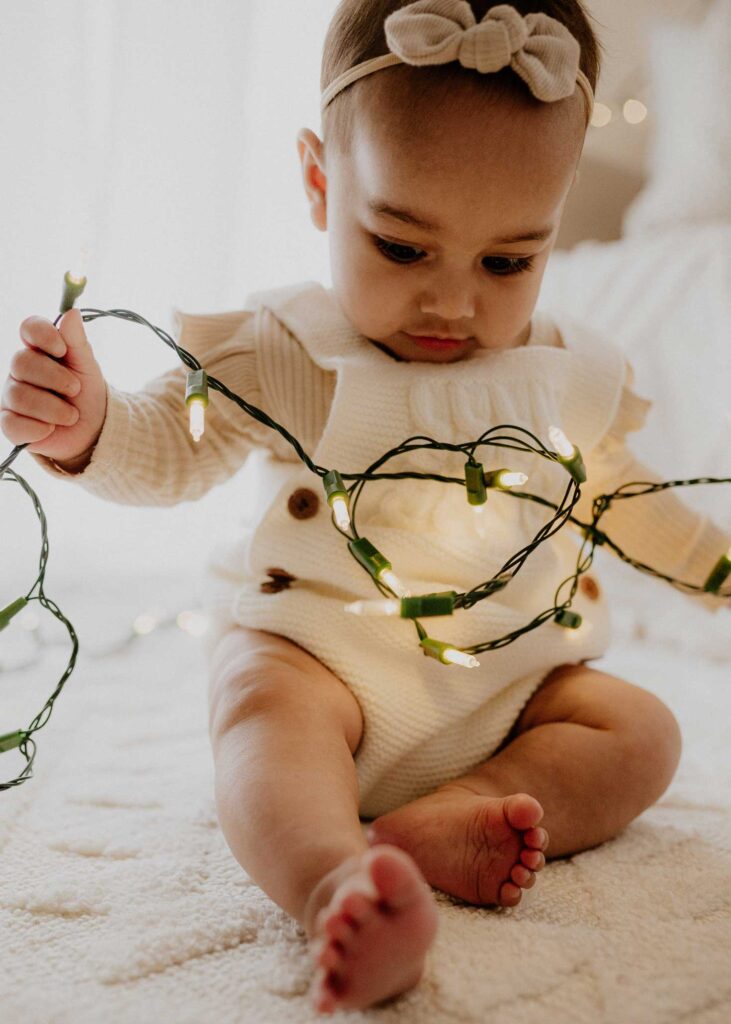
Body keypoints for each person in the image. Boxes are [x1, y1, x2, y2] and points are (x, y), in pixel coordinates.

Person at [2, 1, 729, 1014]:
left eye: (506, 261)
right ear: (318, 182)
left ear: (552, 229)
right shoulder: (289, 351)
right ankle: (335, 883)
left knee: (639, 729)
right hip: (324, 663)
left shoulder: (559, 377)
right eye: (400, 245)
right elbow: (168, 448)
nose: (452, 301)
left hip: (508, 688)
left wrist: (720, 575)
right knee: (256, 711)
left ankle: (459, 809)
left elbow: (632, 504)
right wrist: (86, 428)